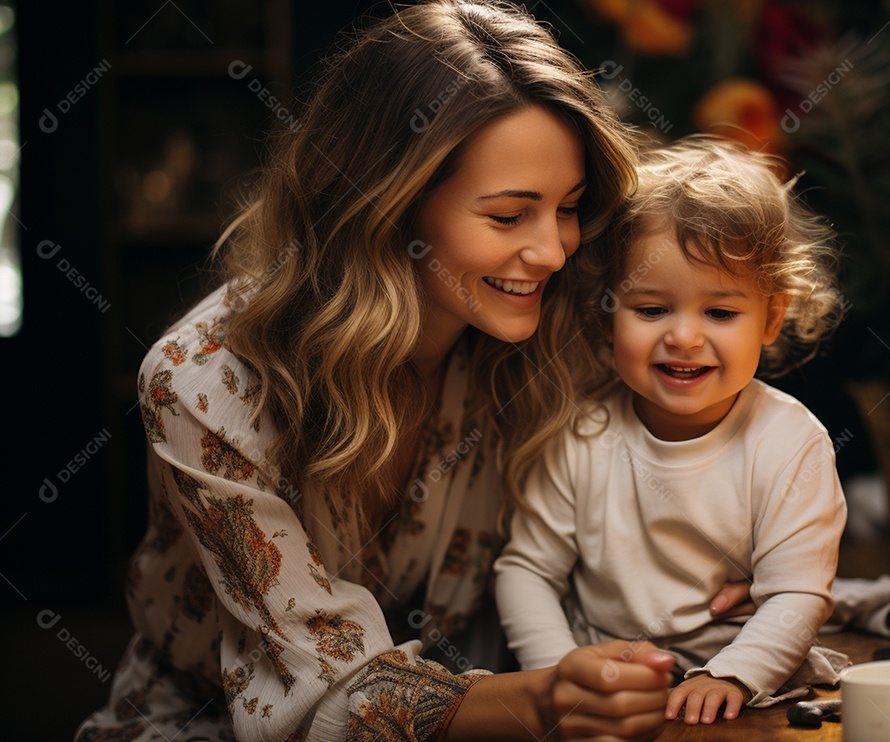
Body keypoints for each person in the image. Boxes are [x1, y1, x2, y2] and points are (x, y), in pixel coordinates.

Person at [74, 3, 755, 740]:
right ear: (388, 207)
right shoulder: (203, 385)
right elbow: (327, 698)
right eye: (507, 216)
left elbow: (676, 448)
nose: (554, 252)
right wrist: (544, 699)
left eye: (569, 207)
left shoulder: (558, 320)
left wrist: (716, 546)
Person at [494, 134, 850, 725]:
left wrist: (735, 672)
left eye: (719, 312)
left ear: (772, 316)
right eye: (652, 309)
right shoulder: (582, 434)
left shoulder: (790, 442)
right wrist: (562, 674)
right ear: (609, 313)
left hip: (740, 688)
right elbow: (527, 571)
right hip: (609, 687)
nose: (683, 337)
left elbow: (796, 592)